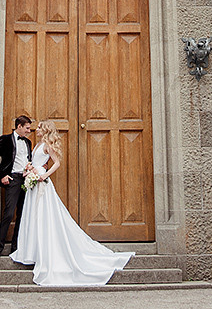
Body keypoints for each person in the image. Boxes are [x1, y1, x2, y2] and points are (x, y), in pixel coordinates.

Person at [11, 119, 134, 286]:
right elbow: (38, 162)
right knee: (33, 216)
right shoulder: (38, 144)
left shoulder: (47, 144)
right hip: (33, 182)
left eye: (39, 127)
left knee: (43, 216)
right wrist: (29, 169)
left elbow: (57, 163)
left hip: (41, 183)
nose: (36, 129)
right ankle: (31, 251)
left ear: (45, 130)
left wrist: (44, 175)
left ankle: (44, 251)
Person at [0, 114, 34, 259]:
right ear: (19, 126)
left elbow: (28, 160)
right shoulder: (5, 139)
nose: (29, 131)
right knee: (8, 214)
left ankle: (15, 248)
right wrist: (2, 175)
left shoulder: (28, 143)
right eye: (27, 128)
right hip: (13, 179)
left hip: (26, 180)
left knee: (22, 214)